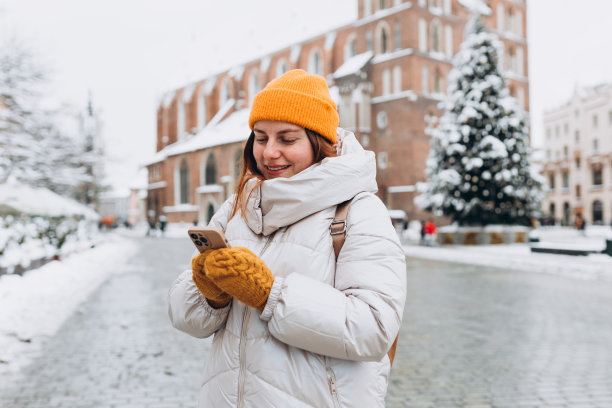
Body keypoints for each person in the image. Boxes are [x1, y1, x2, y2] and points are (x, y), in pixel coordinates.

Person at [168, 69, 407, 407]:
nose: (269, 152)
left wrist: (270, 294)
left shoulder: (359, 210)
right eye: (261, 137)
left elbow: (373, 329)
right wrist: (211, 295)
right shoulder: (238, 205)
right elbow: (183, 316)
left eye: (287, 138)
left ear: (317, 141)